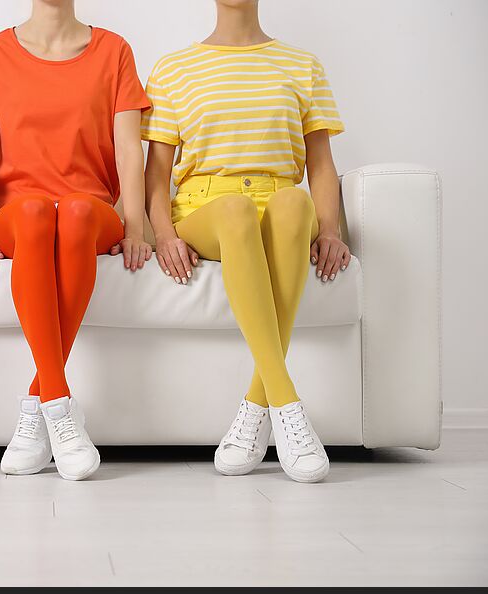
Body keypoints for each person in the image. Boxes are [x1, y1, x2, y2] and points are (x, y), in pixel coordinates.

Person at [143, 0, 348, 483]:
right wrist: (163, 234)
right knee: (235, 208)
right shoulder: (173, 68)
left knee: (296, 203)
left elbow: (319, 165)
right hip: (206, 209)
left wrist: (333, 230)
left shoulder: (303, 65)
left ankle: (256, 410)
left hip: (281, 203)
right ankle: (288, 403)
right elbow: (156, 177)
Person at [0, 0, 152, 480]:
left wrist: (136, 226)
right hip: (16, 215)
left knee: (79, 209)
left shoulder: (114, 50)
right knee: (34, 210)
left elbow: (130, 150)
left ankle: (38, 405)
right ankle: (59, 406)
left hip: (92, 212)